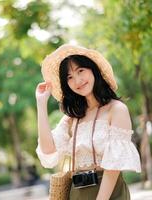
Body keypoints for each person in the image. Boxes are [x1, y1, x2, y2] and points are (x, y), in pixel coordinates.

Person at [35, 44, 141, 200]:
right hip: (76, 193)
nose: (77, 80)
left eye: (80, 71)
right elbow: (48, 150)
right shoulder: (72, 118)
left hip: (109, 193)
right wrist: (41, 103)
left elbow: (114, 167)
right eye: (69, 77)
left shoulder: (116, 109)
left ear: (93, 70)